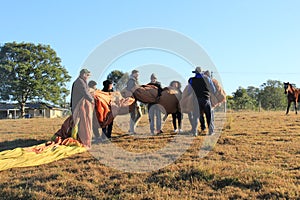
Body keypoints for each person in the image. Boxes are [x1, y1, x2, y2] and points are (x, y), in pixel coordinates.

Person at [188, 67, 216, 136]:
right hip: (206, 99)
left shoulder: (192, 80)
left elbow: (189, 91)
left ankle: (194, 132)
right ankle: (211, 131)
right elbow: (213, 90)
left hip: (196, 100)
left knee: (196, 116)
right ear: (202, 72)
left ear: (195, 72)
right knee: (209, 116)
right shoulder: (207, 79)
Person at [70, 68, 94, 148]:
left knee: (78, 122)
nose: (88, 77)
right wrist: (92, 100)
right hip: (78, 105)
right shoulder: (80, 82)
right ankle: (73, 139)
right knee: (77, 122)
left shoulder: (82, 81)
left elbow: (86, 90)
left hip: (78, 105)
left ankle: (76, 138)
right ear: (83, 74)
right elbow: (85, 92)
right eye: (87, 75)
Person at [126, 69, 142, 134]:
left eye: (138, 74)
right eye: (137, 74)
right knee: (133, 115)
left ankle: (131, 129)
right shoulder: (131, 81)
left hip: (136, 100)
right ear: (133, 74)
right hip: (132, 100)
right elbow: (129, 90)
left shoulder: (135, 81)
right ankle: (132, 130)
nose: (138, 75)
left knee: (139, 115)